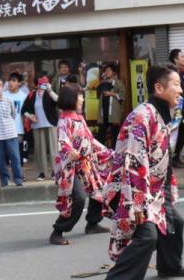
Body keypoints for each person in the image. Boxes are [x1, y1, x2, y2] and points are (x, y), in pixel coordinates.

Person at [98, 64, 184, 280]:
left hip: (155, 188)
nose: (180, 91)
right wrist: (138, 203)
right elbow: (133, 161)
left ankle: (169, 266)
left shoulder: (161, 113)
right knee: (146, 236)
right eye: (176, 85)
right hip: (133, 189)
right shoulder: (142, 116)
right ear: (159, 88)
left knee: (175, 222)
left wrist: (168, 188)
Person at [51, 85, 113, 245]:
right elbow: (63, 141)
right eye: (80, 95)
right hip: (70, 167)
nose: (82, 99)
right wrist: (69, 150)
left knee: (99, 191)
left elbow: (90, 140)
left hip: (85, 164)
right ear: (71, 98)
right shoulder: (64, 119)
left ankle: (92, 223)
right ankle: (58, 231)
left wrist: (109, 153)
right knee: (78, 198)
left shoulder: (78, 117)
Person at [0, 78, 22, 188]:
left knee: (15, 157)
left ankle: (18, 179)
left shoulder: (9, 100)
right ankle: (4, 180)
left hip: (10, 134)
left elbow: (13, 115)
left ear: (2, 87)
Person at [24, 75, 60, 181]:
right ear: (37, 84)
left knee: (53, 149)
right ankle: (42, 172)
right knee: (40, 150)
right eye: (41, 83)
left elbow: (59, 101)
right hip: (37, 125)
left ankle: (55, 171)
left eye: (45, 83)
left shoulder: (49, 94)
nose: (43, 85)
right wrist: (29, 116)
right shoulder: (32, 95)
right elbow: (24, 110)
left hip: (50, 124)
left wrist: (50, 90)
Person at [95, 63, 126, 149]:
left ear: (114, 72)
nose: (107, 72)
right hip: (103, 111)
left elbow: (123, 95)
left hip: (113, 112)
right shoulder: (102, 82)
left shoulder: (118, 82)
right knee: (101, 133)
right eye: (106, 71)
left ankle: (115, 150)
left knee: (115, 132)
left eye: (109, 70)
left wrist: (111, 93)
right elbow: (97, 96)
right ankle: (100, 149)